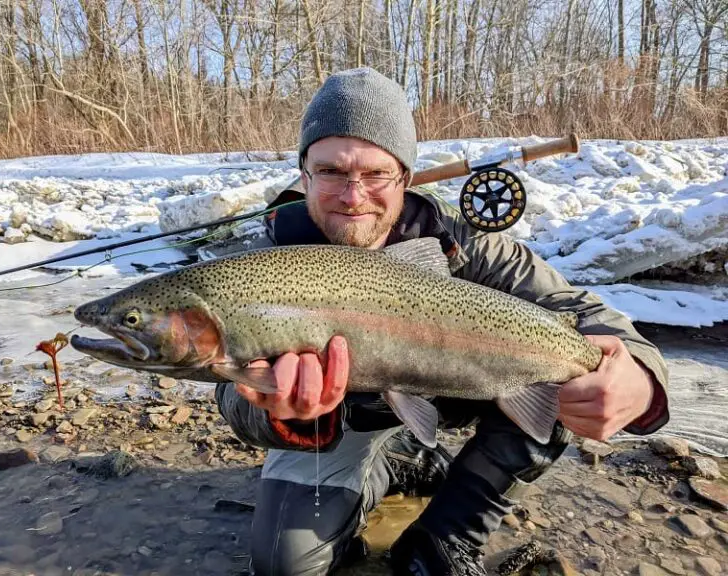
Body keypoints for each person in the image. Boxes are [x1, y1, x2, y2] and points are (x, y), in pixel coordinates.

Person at [215, 67, 670, 576]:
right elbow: (229, 393)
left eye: (374, 174)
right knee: (284, 566)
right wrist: (285, 412)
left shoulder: (466, 245)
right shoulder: (266, 260)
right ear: (303, 176)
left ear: (405, 178)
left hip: (463, 393)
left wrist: (640, 378)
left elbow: (589, 317)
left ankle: (449, 534)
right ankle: (398, 462)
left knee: (563, 363)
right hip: (340, 428)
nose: (353, 196)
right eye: (332, 172)